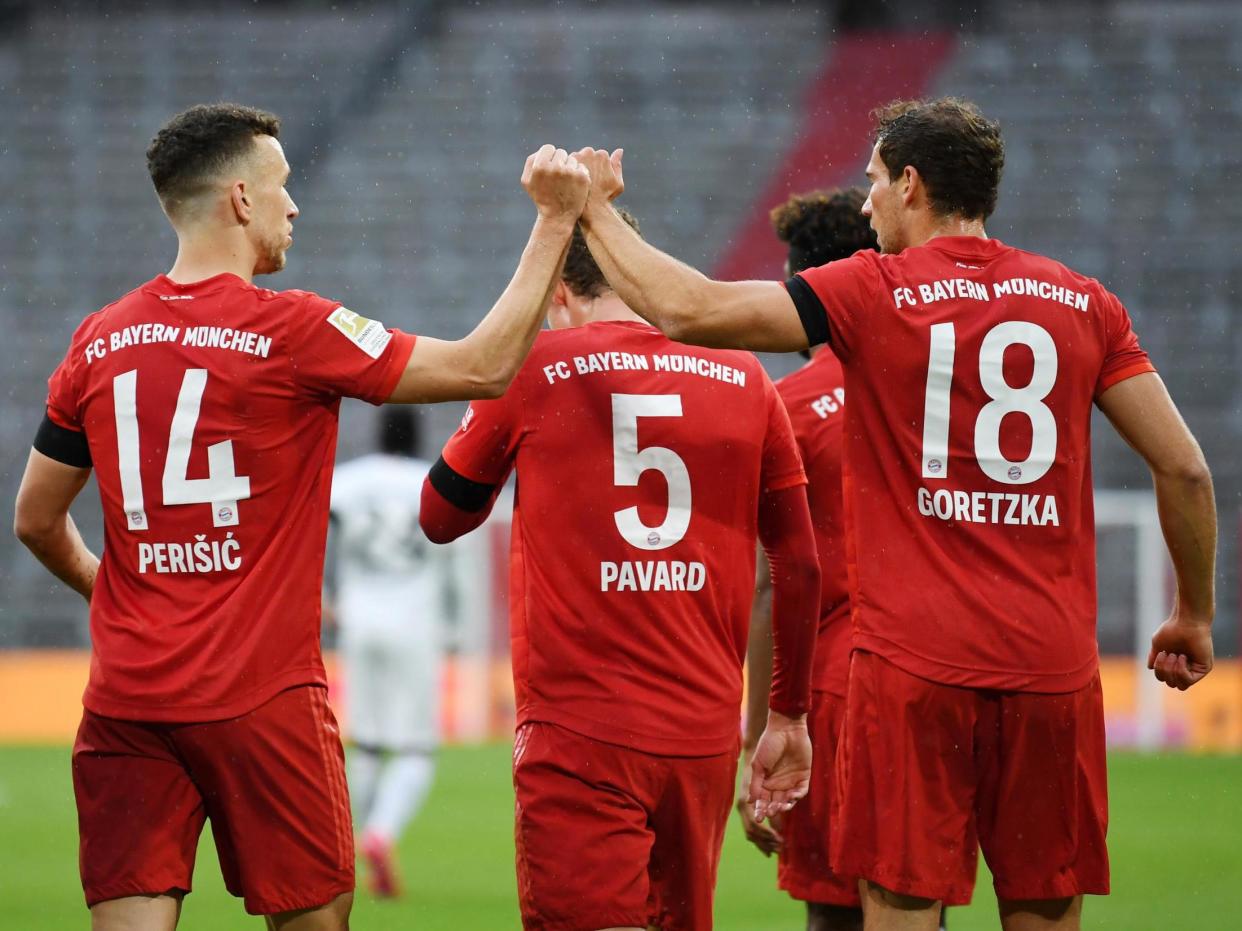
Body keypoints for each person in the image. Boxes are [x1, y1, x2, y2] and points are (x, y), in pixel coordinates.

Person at [568, 97, 1216, 931]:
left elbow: (692, 309)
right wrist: (1193, 613)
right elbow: (1186, 468)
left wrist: (593, 211)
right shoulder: (1085, 302)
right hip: (1052, 670)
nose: (864, 203)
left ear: (911, 184)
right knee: (1045, 909)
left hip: (914, 670)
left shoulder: (877, 290)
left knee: (900, 910)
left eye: (874, 183)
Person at [12, 102, 588, 931]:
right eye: (282, 187)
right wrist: (554, 220)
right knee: (314, 920)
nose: (294, 206)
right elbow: (484, 366)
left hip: (128, 699)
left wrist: (116, 596)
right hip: (263, 696)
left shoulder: (97, 341)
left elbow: (35, 517)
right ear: (240, 199)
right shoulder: (296, 329)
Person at [418, 211, 822, 931]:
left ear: (556, 295)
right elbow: (797, 562)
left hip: (581, 729)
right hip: (700, 741)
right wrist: (786, 712)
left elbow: (440, 516)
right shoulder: (745, 375)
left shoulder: (534, 368)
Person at [737, 187, 876, 931]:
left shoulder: (785, 405)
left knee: (836, 908)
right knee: (918, 891)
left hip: (831, 684)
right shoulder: (929, 391)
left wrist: (757, 727)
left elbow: (770, 582)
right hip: (938, 670)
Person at [328, 407, 449, 898]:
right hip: (415, 623)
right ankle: (381, 834)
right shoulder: (430, 480)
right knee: (417, 747)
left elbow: (312, 524)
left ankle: (342, 845)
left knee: (370, 742)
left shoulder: (349, 481)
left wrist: (321, 596)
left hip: (359, 620)